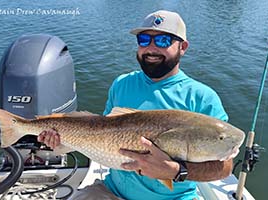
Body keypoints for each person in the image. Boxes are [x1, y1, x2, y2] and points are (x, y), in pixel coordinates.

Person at [38, 10, 233, 200]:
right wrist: (61, 140)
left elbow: (224, 167)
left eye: (163, 40)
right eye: (144, 40)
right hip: (111, 191)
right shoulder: (122, 84)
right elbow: (101, 131)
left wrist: (175, 171)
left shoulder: (202, 98)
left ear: (183, 47)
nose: (151, 48)